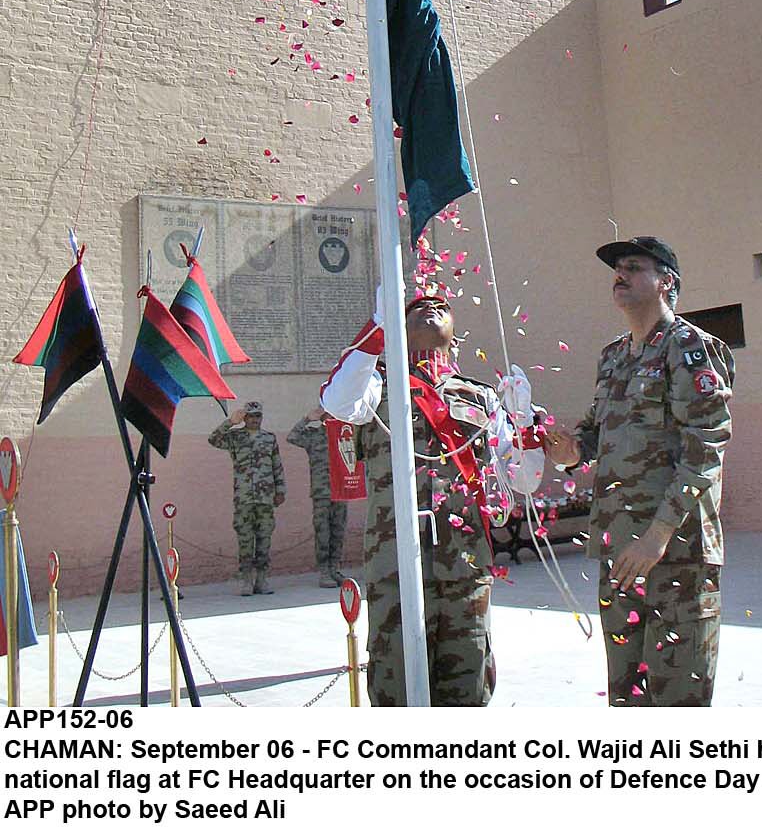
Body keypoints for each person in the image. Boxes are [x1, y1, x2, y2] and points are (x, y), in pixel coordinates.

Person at [320, 289, 545, 707]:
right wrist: (378, 326)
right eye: (414, 307)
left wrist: (524, 419)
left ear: (455, 339)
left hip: (465, 567)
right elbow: (336, 401)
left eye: (442, 305)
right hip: (396, 568)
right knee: (397, 685)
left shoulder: (482, 396)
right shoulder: (376, 386)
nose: (430, 305)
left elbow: (525, 480)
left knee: (468, 685)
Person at [544, 237, 733, 706]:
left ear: (666, 281)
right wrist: (569, 452)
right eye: (616, 269)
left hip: (675, 553)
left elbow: (707, 445)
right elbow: (595, 432)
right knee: (628, 697)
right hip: (621, 551)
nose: (619, 275)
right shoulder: (613, 357)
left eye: (633, 267)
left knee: (676, 697)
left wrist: (658, 534)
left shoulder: (690, 347)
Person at [208, 400, 286, 596]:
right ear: (245, 418)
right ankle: (246, 580)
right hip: (243, 498)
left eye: (257, 416)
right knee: (244, 540)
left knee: (264, 539)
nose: (254, 419)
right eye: (250, 416)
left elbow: (277, 465)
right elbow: (213, 439)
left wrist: (280, 490)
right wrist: (230, 423)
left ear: (261, 417)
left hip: (266, 499)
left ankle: (262, 579)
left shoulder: (269, 438)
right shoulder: (235, 437)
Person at [286, 408, 348, 589]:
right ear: (322, 417)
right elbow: (292, 437)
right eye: (329, 415)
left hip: (341, 490)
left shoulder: (344, 436)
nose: (332, 418)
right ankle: (324, 571)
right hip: (321, 492)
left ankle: (335, 568)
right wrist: (306, 418)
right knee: (323, 532)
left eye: (335, 415)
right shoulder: (312, 436)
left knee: (338, 531)